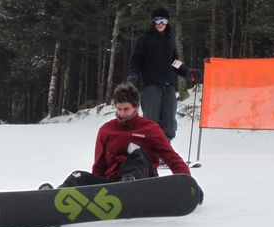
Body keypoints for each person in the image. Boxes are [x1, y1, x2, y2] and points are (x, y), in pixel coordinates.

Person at [42, 83, 201, 204]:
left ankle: (128, 185)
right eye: (118, 109)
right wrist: (92, 186)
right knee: (78, 176)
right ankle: (54, 198)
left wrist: (188, 183)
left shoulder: (150, 128)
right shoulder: (106, 130)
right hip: (113, 184)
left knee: (136, 153)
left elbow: (171, 157)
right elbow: (99, 166)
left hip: (143, 181)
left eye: (126, 109)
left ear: (136, 108)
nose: (121, 113)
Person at [127, 7, 202, 142]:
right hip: (151, 85)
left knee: (169, 121)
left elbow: (175, 62)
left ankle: (165, 149)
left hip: (169, 85)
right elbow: (136, 60)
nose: (161, 24)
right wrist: (133, 76)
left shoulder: (170, 39)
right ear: (153, 21)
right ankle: (148, 149)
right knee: (151, 120)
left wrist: (188, 72)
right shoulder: (144, 39)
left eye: (164, 21)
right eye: (158, 20)